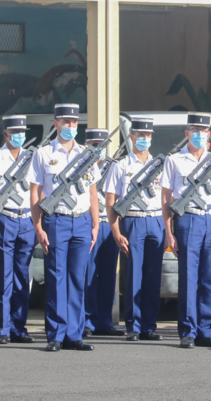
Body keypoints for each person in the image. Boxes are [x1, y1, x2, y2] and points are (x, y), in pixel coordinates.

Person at [30, 103, 99, 352]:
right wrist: (38, 226)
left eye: (74, 122)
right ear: (56, 124)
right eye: (66, 122)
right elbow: (35, 192)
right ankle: (56, 335)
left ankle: (74, 334)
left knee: (77, 279)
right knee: (56, 277)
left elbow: (93, 192)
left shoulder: (86, 154)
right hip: (56, 220)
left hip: (81, 220)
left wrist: (95, 224)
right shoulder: (43, 153)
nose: (70, 126)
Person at [161, 112, 211, 349]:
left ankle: (207, 330)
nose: (199, 135)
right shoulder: (174, 160)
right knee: (189, 277)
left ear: (209, 134)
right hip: (188, 219)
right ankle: (188, 330)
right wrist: (169, 231)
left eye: (203, 131)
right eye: (195, 131)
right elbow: (166, 197)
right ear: (187, 133)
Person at [105, 117, 165, 342]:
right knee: (134, 275)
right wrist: (116, 231)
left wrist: (168, 229)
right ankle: (134, 325)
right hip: (133, 221)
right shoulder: (121, 166)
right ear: (131, 137)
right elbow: (110, 200)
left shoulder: (160, 165)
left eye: (148, 135)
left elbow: (167, 198)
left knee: (153, 275)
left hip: (156, 220)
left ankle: (149, 325)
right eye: (140, 135)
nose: (144, 139)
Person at [0, 115, 36, 344]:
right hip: (4, 218)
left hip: (27, 220)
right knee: (4, 277)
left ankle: (18, 328)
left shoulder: (31, 157)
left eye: (22, 132)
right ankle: (2, 329)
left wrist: (37, 223)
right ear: (5, 134)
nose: (19, 136)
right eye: (15, 132)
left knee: (23, 277)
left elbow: (37, 191)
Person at [84, 128, 125, 337]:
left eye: (101, 146)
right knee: (88, 274)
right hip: (89, 224)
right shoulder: (81, 166)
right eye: (94, 145)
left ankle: (105, 321)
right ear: (86, 145)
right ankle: (88, 321)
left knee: (108, 275)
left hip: (109, 224)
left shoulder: (113, 167)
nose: (98, 149)